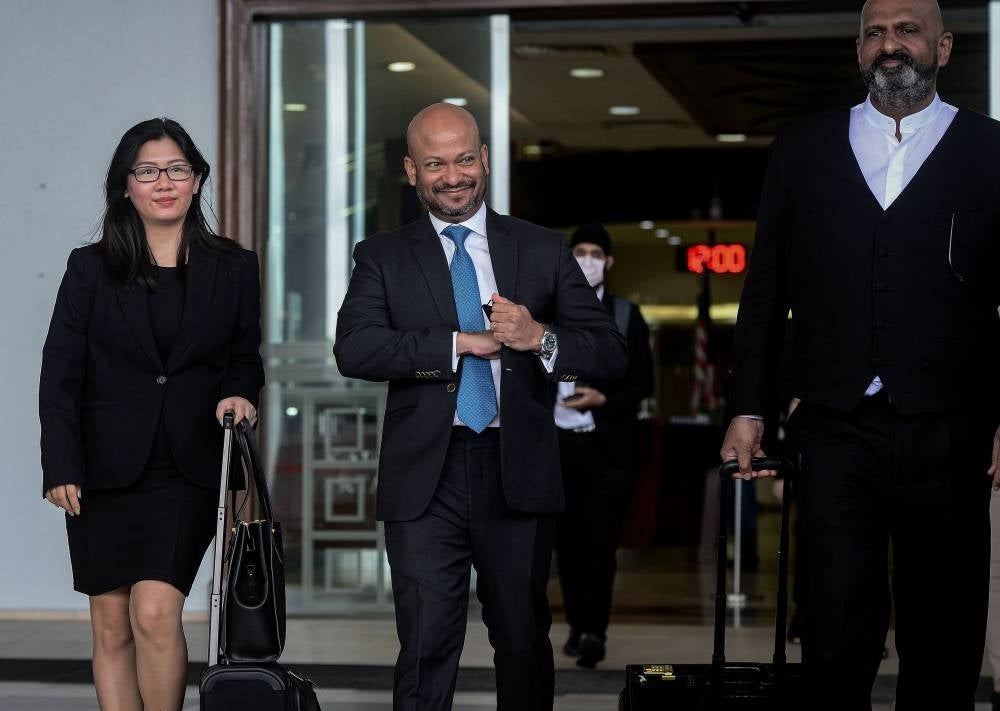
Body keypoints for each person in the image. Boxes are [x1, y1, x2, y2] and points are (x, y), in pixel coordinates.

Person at [720, 1, 1000, 709]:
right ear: (857, 49)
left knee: (945, 625)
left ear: (943, 45)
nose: (891, 45)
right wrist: (748, 405)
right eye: (876, 32)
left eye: (907, 30)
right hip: (834, 424)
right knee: (835, 620)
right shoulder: (803, 148)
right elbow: (765, 292)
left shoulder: (991, 151)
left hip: (950, 427)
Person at [333, 103, 627, 711]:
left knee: (522, 642)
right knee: (425, 642)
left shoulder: (542, 249)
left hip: (515, 469)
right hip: (424, 477)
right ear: (412, 172)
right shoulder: (382, 255)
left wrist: (539, 337)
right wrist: (458, 344)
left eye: (464, 159)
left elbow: (608, 351)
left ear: (485, 160)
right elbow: (355, 347)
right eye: (435, 163)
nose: (453, 175)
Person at [39, 118, 264, 711]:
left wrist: (242, 392)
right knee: (110, 624)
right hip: (102, 468)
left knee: (156, 612)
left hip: (187, 464)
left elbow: (245, 355)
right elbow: (60, 373)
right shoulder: (89, 268)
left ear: (196, 180)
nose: (163, 182)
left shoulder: (235, 267)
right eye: (147, 171)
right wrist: (60, 464)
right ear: (125, 186)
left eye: (176, 169)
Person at [554, 222, 654, 668]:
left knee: (599, 544)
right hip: (556, 447)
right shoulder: (546, 311)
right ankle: (576, 625)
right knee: (567, 545)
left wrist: (603, 398)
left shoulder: (626, 316)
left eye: (596, 253)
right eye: (581, 251)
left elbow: (643, 383)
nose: (589, 259)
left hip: (606, 448)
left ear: (609, 262)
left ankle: (594, 630)